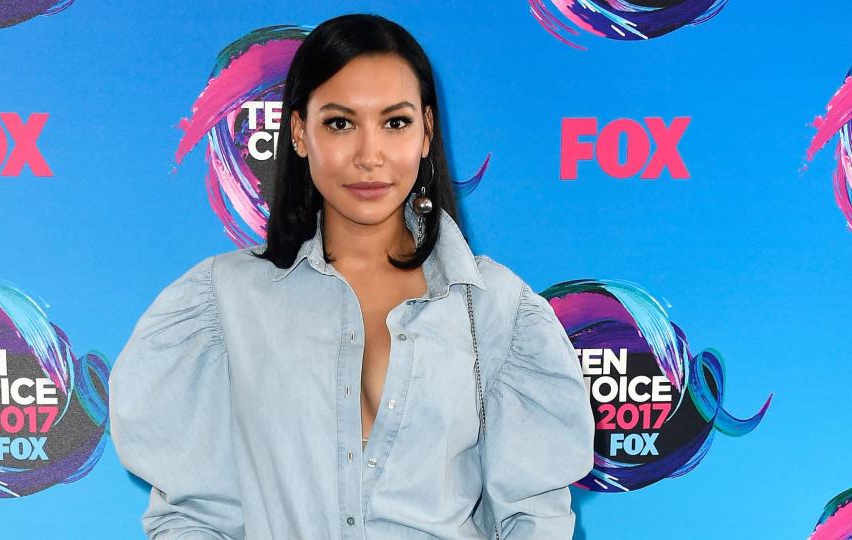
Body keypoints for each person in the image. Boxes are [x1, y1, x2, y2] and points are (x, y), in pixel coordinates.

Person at [108, 12, 594, 540]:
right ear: (298, 132)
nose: (369, 156)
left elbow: (534, 517)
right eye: (340, 123)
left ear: (427, 133)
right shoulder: (223, 302)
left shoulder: (496, 308)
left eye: (395, 122)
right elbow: (193, 518)